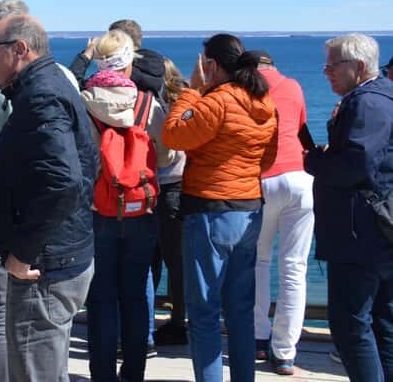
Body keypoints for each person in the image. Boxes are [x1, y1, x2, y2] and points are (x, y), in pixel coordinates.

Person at [0, 0, 80, 381]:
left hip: (3, 222)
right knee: (47, 330)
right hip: (55, 226)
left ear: (12, 42)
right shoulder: (66, 78)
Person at [163, 34, 278, 382]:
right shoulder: (264, 102)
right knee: (240, 310)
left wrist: (191, 90)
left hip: (211, 211)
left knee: (205, 313)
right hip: (248, 209)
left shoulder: (217, 101)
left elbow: (173, 134)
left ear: (210, 65)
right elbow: (268, 160)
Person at [0, 14, 96, 382]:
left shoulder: (41, 95)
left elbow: (65, 180)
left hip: (45, 268)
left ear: (20, 49)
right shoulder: (51, 85)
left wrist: (23, 253)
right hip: (62, 256)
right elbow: (86, 162)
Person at [80, 29, 173, 382]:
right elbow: (166, 157)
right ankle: (133, 373)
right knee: (135, 296)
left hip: (96, 212)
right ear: (130, 62)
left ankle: (101, 375)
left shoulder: (84, 102)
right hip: (141, 211)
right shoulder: (149, 105)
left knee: (101, 300)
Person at [305, 33, 393, 382]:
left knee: (350, 326)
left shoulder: (367, 103)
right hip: (376, 229)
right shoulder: (381, 96)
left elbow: (355, 166)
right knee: (380, 322)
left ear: (358, 66)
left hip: (360, 234)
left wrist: (311, 160)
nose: (326, 72)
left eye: (332, 65)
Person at [250, 50, 313, 375]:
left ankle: (259, 338)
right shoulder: (293, 85)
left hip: (261, 181)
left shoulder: (244, 87)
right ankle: (285, 352)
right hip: (299, 179)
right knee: (294, 269)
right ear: (273, 66)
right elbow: (300, 129)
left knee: (258, 262)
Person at [151, 57, 188, 346]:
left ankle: (145, 324)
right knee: (178, 264)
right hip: (179, 185)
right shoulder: (186, 102)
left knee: (148, 263)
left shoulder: (146, 103)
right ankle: (178, 322)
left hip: (152, 186)